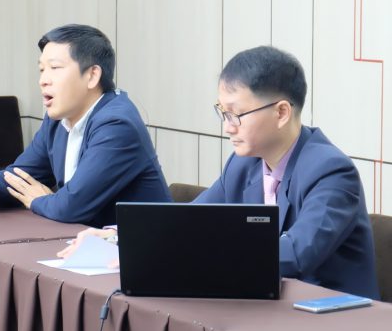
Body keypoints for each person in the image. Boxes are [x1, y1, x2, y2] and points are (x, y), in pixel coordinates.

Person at [60, 46, 379, 299]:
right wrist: (118, 236)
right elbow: (188, 222)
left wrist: (185, 253)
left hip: (332, 319)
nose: (227, 127)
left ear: (281, 112)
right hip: (270, 304)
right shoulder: (243, 163)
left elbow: (297, 254)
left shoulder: (330, 171)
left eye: (236, 114)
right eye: (222, 113)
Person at [0, 24, 171, 227]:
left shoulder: (117, 124)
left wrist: (39, 200)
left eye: (55, 68)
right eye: (41, 69)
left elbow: (70, 207)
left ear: (92, 76)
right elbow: (20, 180)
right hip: (87, 248)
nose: (43, 80)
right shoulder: (57, 120)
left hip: (145, 257)